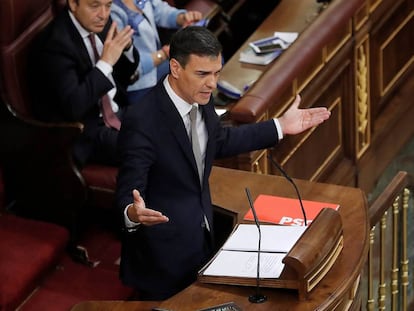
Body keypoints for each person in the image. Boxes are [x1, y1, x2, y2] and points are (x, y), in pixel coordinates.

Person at [115, 26, 331, 300]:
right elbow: (128, 189)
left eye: (216, 73)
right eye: (203, 74)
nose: (212, 84)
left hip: (202, 237)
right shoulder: (142, 121)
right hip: (163, 257)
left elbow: (218, 141)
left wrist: (279, 127)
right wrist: (132, 214)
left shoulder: (201, 99)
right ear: (176, 68)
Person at [29, 0, 140, 167]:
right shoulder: (55, 44)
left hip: (117, 109)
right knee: (151, 149)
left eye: (108, 5)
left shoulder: (100, 20)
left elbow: (124, 74)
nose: (103, 14)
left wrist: (126, 47)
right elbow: (74, 107)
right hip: (88, 130)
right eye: (94, 6)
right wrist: (106, 63)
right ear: (73, 4)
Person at [110, 0, 202, 104]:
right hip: (139, 83)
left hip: (159, 66)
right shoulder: (111, 11)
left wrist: (182, 17)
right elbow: (126, 67)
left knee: (200, 58)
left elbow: (160, 10)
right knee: (196, 66)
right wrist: (163, 54)